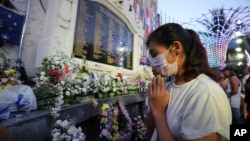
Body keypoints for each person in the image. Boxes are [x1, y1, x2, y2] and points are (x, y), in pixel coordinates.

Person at [144, 23, 232, 141]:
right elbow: (151, 131)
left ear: (176, 48)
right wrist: (153, 106)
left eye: (155, 54)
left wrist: (159, 112)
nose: (153, 63)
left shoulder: (204, 92)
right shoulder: (167, 88)